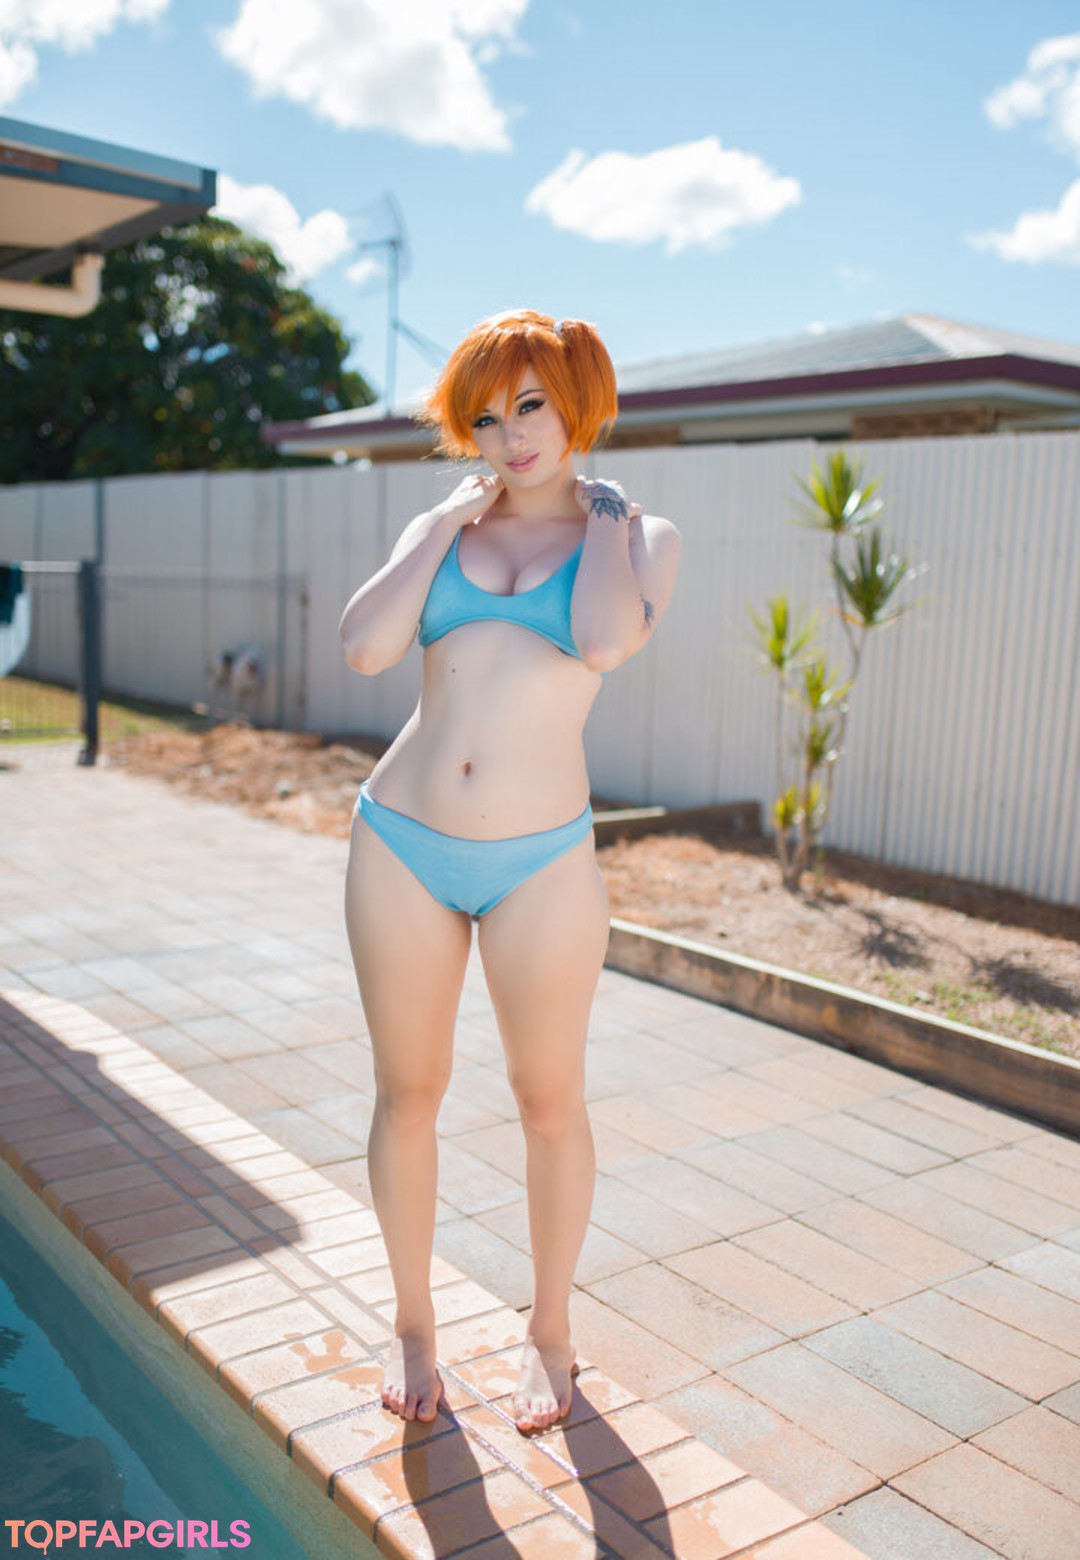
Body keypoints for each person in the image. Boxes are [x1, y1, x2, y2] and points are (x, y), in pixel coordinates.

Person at [338, 308, 681, 1434]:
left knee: (548, 1100)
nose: (510, 435)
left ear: (578, 402)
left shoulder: (640, 536)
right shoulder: (444, 526)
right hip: (403, 838)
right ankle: (412, 1321)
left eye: (531, 405)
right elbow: (366, 646)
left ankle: (550, 1332)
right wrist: (441, 522)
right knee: (409, 1093)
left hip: (543, 860)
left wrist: (603, 514)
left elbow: (604, 641)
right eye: (485, 418)